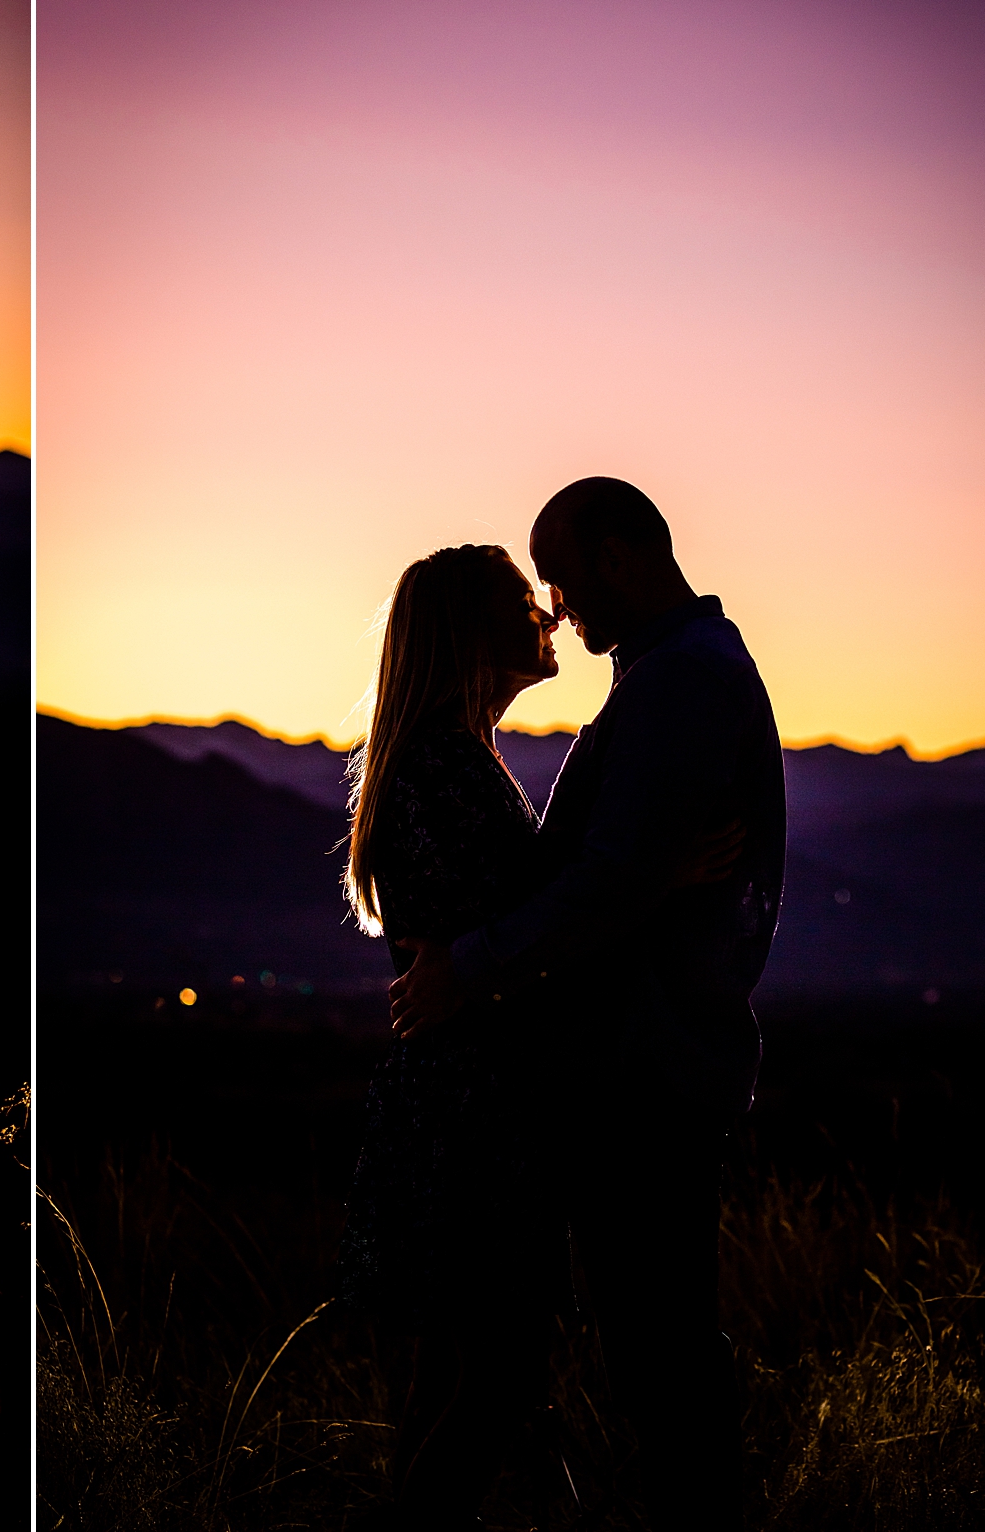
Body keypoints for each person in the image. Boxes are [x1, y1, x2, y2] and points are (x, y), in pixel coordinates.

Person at [387, 477, 785, 1532]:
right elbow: (605, 875)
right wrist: (651, 875)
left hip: (645, 1075)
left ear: (618, 556)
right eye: (537, 591)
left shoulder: (680, 682)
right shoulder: (667, 676)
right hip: (591, 1080)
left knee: (650, 1358)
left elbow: (600, 882)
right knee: (543, 1362)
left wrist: (467, 964)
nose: (557, 608)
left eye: (561, 579)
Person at [336, 542, 572, 1528]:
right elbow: (514, 939)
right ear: (468, 631)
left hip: (467, 1109)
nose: (547, 614)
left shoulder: (454, 756)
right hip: (468, 1119)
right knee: (490, 1378)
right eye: (522, 600)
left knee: (461, 1377)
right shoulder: (441, 765)